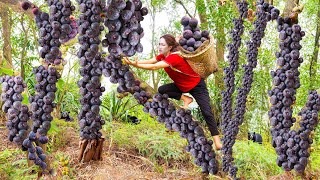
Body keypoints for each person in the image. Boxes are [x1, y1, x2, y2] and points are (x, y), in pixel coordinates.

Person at [124, 34, 222, 150]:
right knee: (162, 90)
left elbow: (155, 67)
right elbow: (152, 61)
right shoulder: (163, 55)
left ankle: (217, 142)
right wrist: (133, 63)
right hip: (181, 86)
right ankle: (186, 99)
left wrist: (137, 65)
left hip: (196, 85)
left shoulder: (174, 57)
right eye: (159, 44)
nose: (159, 47)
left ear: (170, 47)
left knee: (207, 112)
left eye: (163, 45)